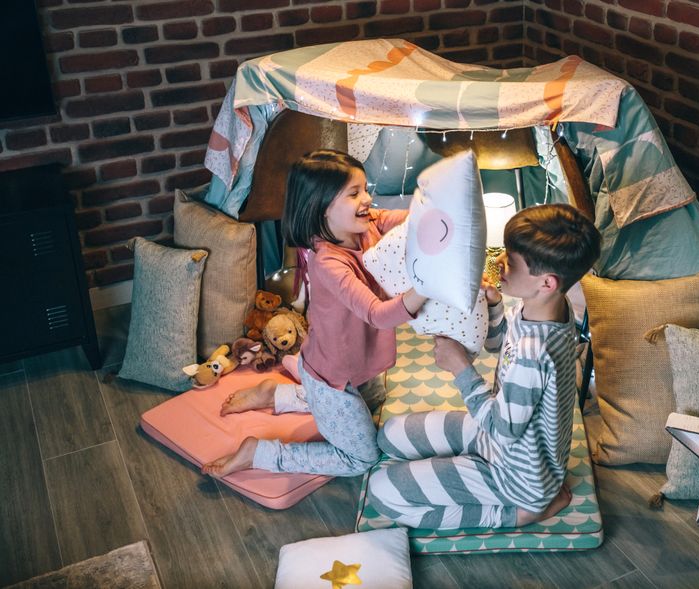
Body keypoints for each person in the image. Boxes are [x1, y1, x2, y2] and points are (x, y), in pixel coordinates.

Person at [369, 203, 601, 529]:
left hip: (516, 475)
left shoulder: (535, 354)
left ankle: (518, 514)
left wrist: (460, 367)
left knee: (383, 492)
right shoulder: (549, 308)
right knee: (390, 436)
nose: (499, 262)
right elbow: (499, 346)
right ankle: (477, 471)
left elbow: (503, 430)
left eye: (512, 261)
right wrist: (493, 304)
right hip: (501, 440)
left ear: (546, 282)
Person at [202, 150, 427, 478]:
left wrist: (432, 210)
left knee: (375, 397)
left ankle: (276, 394)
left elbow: (407, 220)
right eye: (354, 193)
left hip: (352, 367)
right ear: (321, 207)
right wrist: (425, 287)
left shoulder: (367, 225)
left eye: (365, 189)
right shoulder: (329, 263)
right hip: (328, 375)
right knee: (361, 458)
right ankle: (259, 453)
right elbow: (378, 315)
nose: (367, 199)